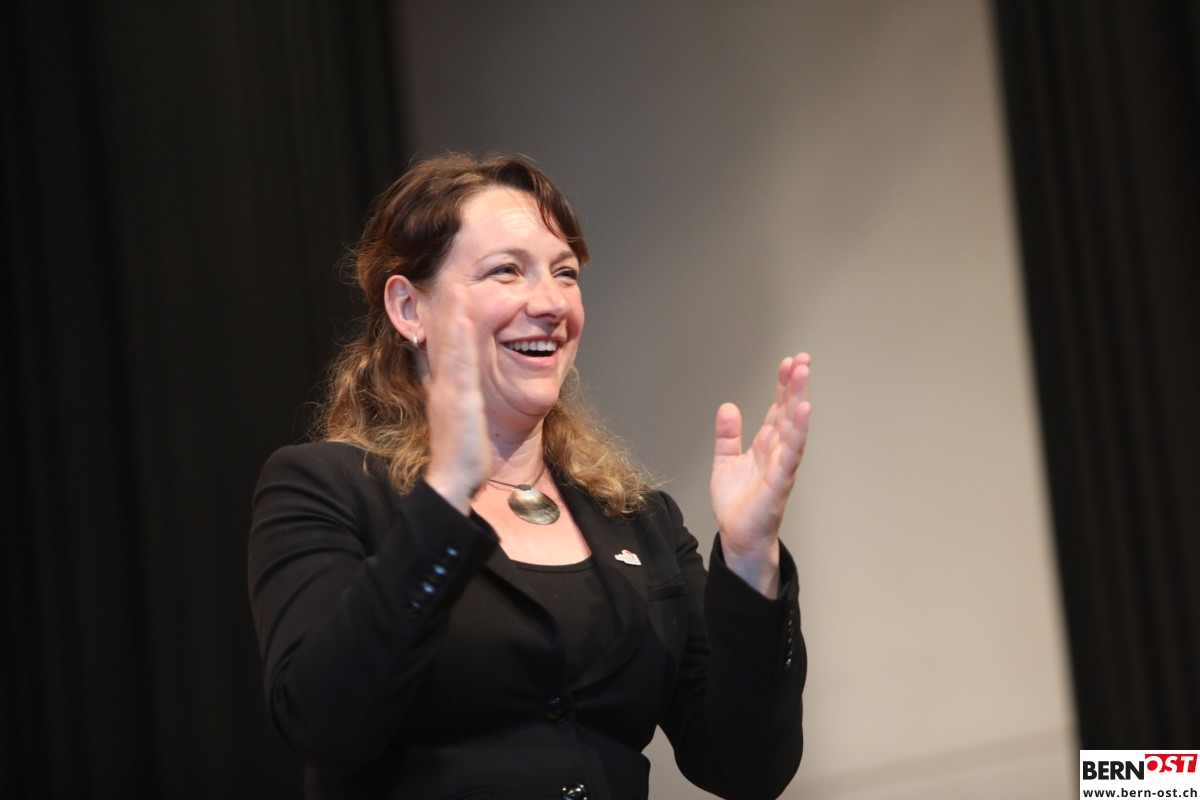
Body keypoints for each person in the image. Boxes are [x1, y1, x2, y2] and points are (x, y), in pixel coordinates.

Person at [248, 154, 811, 800]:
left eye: (565, 273)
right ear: (408, 308)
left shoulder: (636, 519)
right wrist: (446, 498)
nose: (549, 304)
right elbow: (324, 724)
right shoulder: (327, 489)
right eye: (506, 271)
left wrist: (750, 557)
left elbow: (747, 767)